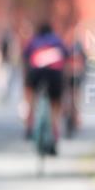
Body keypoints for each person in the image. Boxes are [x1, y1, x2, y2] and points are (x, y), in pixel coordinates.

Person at [22, 21, 68, 154]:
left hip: (36, 72)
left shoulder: (34, 41)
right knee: (55, 105)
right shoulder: (57, 40)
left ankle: (29, 125)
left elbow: (25, 58)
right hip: (55, 73)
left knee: (30, 97)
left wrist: (26, 84)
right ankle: (54, 133)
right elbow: (66, 56)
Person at [65, 37, 87, 135]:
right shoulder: (77, 46)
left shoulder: (67, 45)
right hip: (74, 75)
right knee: (75, 97)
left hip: (71, 75)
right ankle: (74, 116)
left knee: (72, 96)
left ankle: (74, 115)